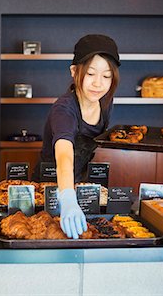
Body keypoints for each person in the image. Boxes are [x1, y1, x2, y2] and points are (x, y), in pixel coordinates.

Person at [33, 34, 120, 239]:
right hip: (51, 191)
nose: (98, 83)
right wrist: (68, 198)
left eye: (106, 76)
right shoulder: (64, 109)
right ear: (74, 71)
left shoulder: (105, 103)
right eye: (90, 74)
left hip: (79, 185)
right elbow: (64, 155)